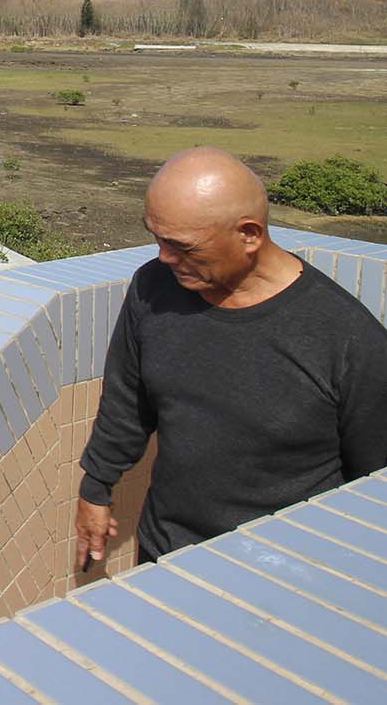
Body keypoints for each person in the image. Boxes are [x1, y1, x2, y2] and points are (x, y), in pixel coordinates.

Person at [74, 146, 387, 568]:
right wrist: (96, 488)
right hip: (165, 553)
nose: (164, 257)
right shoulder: (153, 288)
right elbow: (127, 402)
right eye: (156, 237)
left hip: (283, 574)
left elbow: (372, 485)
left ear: (250, 235)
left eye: (182, 246)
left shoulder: (349, 338)